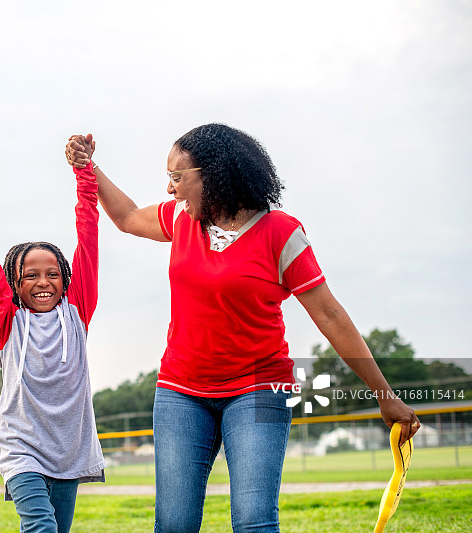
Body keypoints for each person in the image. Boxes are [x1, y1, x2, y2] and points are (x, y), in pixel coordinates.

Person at [65, 126, 421, 533]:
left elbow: (330, 316)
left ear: (213, 174)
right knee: (175, 525)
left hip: (258, 389)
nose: (170, 189)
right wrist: (88, 167)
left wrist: (385, 395)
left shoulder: (282, 233)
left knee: (254, 521)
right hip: (182, 391)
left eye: (178, 178)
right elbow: (127, 217)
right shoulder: (182, 218)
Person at [0, 142, 106, 533]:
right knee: (40, 526)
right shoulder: (6, 324)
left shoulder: (77, 313)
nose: (43, 282)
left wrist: (84, 174)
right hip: (21, 449)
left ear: (66, 279)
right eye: (31, 275)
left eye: (52, 273)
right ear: (15, 283)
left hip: (68, 450)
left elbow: (88, 237)